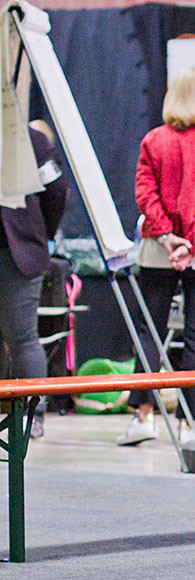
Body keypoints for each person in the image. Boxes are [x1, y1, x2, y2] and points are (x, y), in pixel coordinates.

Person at [117, 67, 195, 446]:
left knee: (149, 331)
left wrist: (168, 237)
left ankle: (142, 416)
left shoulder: (153, 140)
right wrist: (192, 244)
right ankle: (188, 422)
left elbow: (145, 194)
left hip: (159, 249)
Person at [0, 125, 68, 439]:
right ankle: (32, 418)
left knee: (23, 339)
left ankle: (32, 414)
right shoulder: (32, 139)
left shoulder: (32, 139)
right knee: (24, 338)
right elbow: (56, 192)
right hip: (22, 248)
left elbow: (57, 192)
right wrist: (42, 231)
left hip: (18, 253)